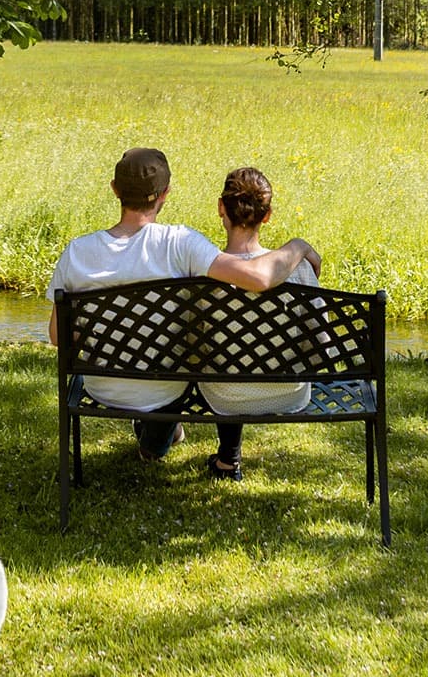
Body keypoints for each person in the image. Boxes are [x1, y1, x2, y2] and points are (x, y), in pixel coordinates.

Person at [46, 148, 321, 464]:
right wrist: (298, 246)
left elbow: (58, 337)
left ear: (115, 190)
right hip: (166, 389)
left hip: (102, 385)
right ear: (165, 194)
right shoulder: (180, 243)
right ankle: (163, 441)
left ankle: (160, 438)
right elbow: (257, 277)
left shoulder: (77, 251)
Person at [201, 167, 319, 482]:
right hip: (289, 392)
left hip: (223, 394)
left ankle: (228, 460)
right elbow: (317, 343)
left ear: (220, 208)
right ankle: (228, 459)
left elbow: (193, 346)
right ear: (267, 216)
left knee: (223, 362)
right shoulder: (300, 271)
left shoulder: (204, 274)